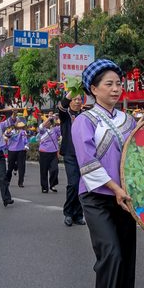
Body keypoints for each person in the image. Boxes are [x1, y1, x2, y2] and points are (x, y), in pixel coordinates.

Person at [71, 59, 138, 288]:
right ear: (94, 89)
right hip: (97, 195)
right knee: (109, 252)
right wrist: (115, 188)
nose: (115, 88)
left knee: (125, 254)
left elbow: (137, 156)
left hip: (125, 196)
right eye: (108, 84)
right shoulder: (84, 121)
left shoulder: (129, 120)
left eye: (118, 83)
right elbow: (87, 162)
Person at [58, 92, 86, 227]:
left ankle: (78, 215)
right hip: (70, 154)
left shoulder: (85, 115)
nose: (77, 101)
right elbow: (61, 106)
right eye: (74, 99)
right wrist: (72, 90)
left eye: (79, 99)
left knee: (83, 186)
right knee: (73, 184)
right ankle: (68, 213)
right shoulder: (65, 115)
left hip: (84, 154)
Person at [37, 114, 61, 194]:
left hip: (53, 152)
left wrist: (57, 118)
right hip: (44, 152)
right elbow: (41, 126)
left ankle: (52, 185)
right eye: (46, 122)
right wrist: (49, 118)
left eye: (49, 122)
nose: (48, 123)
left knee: (55, 169)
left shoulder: (55, 129)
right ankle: (44, 187)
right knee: (43, 171)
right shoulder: (42, 130)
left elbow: (60, 129)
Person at [5, 119, 28, 187]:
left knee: (22, 167)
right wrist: (11, 128)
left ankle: (21, 182)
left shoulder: (23, 131)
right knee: (10, 167)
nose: (18, 125)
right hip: (11, 150)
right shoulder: (10, 130)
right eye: (17, 123)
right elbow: (7, 134)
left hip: (21, 150)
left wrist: (26, 146)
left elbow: (25, 139)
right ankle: (8, 180)